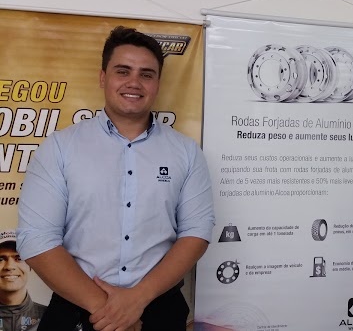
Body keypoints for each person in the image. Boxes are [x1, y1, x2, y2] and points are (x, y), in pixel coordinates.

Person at [17, 27, 215, 331]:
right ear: (102, 78)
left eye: (146, 74)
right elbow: (36, 238)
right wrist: (110, 311)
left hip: (159, 309)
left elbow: (196, 232)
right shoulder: (60, 147)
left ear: (158, 83)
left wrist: (137, 300)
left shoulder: (186, 152)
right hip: (77, 309)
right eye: (123, 71)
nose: (134, 82)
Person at [0, 230, 46, 331]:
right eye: (1, 259)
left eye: (19, 258)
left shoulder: (52, 317)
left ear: (30, 265)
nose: (10, 266)